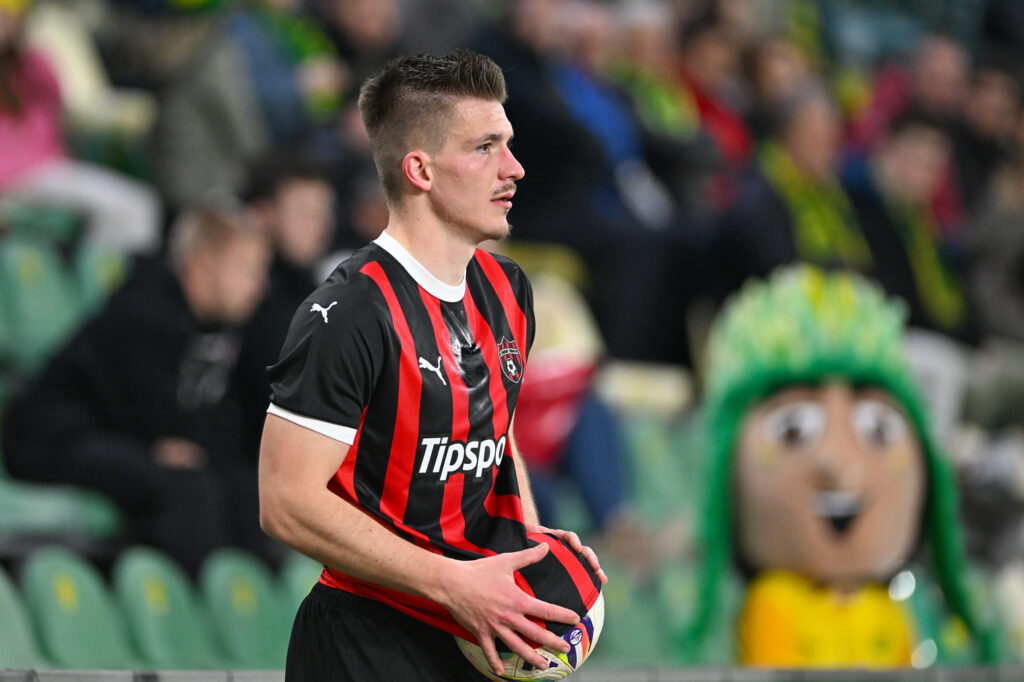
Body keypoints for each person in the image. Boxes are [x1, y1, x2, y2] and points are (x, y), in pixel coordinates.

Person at [257, 51, 606, 681]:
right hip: (364, 640)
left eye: (508, 144)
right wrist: (450, 582)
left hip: (471, 630)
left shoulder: (508, 290)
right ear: (419, 169)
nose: (514, 167)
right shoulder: (348, 313)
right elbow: (285, 500)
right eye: (484, 148)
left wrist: (527, 548)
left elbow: (495, 436)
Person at [1, 204, 273, 575]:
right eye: (245, 268)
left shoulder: (220, 326)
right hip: (57, 437)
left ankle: (246, 603)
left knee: (243, 487)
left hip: (122, 436)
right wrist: (170, 444)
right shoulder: (143, 312)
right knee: (187, 489)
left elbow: (211, 423)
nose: (259, 284)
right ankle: (183, 601)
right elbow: (147, 413)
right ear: (201, 265)